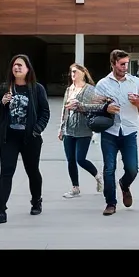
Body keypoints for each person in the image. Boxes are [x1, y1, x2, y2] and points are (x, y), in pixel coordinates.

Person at [0, 54, 50, 225]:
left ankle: (36, 200)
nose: (17, 68)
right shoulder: (5, 88)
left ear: (28, 68)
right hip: (8, 137)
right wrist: (2, 103)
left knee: (32, 171)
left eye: (20, 65)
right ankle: (0, 211)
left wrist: (37, 130)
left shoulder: (37, 89)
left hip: (30, 137)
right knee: (6, 172)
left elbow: (45, 112)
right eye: (14, 65)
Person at [94, 49, 139, 216]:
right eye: (122, 64)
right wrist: (106, 107)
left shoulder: (135, 82)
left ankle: (124, 184)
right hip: (109, 131)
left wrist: (138, 102)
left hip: (129, 131)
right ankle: (110, 203)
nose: (125, 67)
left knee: (132, 169)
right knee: (109, 168)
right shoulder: (102, 84)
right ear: (113, 63)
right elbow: (94, 108)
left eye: (127, 63)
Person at [58, 63, 103, 199]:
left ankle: (98, 176)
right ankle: (75, 188)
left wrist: (80, 106)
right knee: (70, 159)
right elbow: (64, 109)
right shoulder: (69, 89)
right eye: (71, 72)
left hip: (84, 129)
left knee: (80, 159)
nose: (73, 74)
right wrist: (61, 128)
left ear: (83, 73)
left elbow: (100, 106)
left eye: (76, 72)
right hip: (69, 129)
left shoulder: (90, 90)